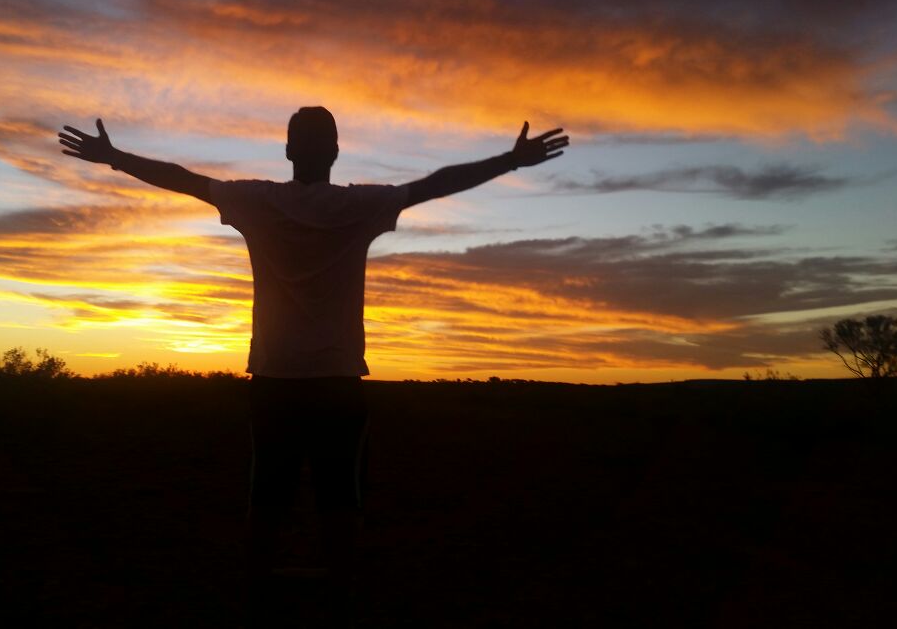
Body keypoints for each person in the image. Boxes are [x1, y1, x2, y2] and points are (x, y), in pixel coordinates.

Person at [59, 107, 568, 626]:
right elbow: (435, 185)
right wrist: (509, 162)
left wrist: (114, 157)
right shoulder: (359, 205)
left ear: (287, 151)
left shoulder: (256, 201)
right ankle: (340, 597)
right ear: (336, 152)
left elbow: (183, 180)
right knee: (340, 495)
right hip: (338, 382)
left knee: (268, 491)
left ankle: (258, 593)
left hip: (274, 379)